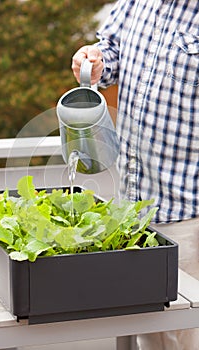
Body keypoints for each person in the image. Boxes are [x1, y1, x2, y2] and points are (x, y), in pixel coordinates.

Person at [72, 0, 199, 349]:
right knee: (151, 335)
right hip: (132, 210)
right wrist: (94, 60)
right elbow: (111, 51)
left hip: (188, 215)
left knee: (186, 336)